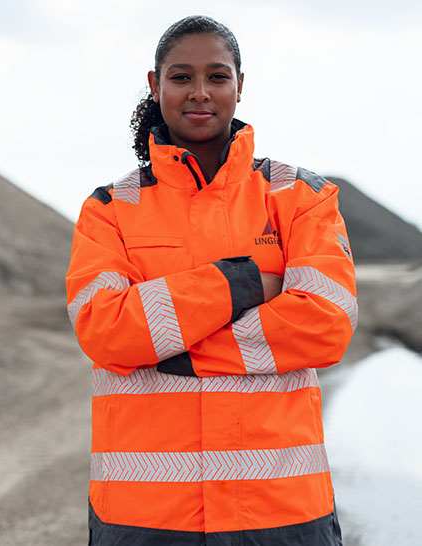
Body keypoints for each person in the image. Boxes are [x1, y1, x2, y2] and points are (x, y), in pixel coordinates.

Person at [66, 15, 357, 546]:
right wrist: (244, 283)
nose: (200, 93)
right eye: (181, 77)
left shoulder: (301, 198)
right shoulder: (110, 209)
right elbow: (105, 331)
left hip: (281, 511)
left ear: (240, 87)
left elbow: (326, 326)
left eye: (217, 77)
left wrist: (167, 347)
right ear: (155, 86)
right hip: (147, 517)